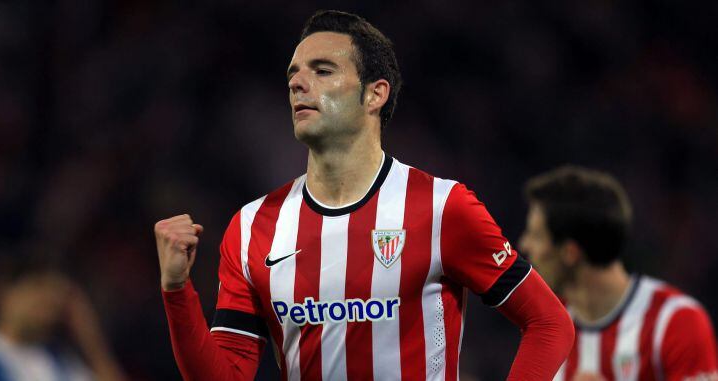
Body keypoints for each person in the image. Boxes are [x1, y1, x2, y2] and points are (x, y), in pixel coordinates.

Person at [155, 10, 574, 380]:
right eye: (293, 74)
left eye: (322, 71)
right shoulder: (251, 227)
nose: (299, 83)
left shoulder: (441, 207)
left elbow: (550, 322)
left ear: (376, 93)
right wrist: (176, 289)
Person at [519, 165, 718, 381]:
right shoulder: (546, 328)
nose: (524, 245)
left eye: (536, 236)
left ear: (570, 252)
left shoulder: (676, 322)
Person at [0, 259, 126, 381]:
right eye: (37, 290)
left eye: (53, 298)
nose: (45, 304)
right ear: (6, 293)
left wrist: (89, 336)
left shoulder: (62, 364)